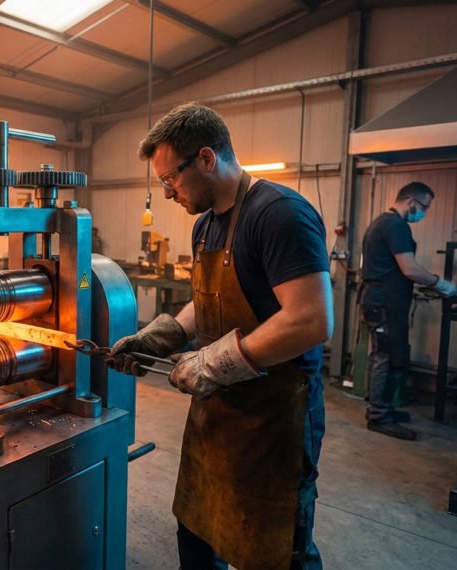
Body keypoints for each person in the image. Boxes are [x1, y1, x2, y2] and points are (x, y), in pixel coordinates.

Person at [107, 103, 332, 569]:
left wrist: (211, 363)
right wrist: (160, 335)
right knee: (197, 534)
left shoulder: (279, 214)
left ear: (207, 159)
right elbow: (205, 301)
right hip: (215, 419)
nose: (167, 193)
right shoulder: (205, 226)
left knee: (273, 551)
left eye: (171, 179)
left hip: (274, 422)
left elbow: (310, 320)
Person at [359, 182, 457, 441]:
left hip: (383, 300)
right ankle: (379, 416)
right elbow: (410, 269)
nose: (423, 213)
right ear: (411, 201)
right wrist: (441, 283)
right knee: (386, 357)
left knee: (386, 355)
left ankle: (382, 408)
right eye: (424, 207)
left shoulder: (383, 223)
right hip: (383, 303)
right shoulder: (395, 226)